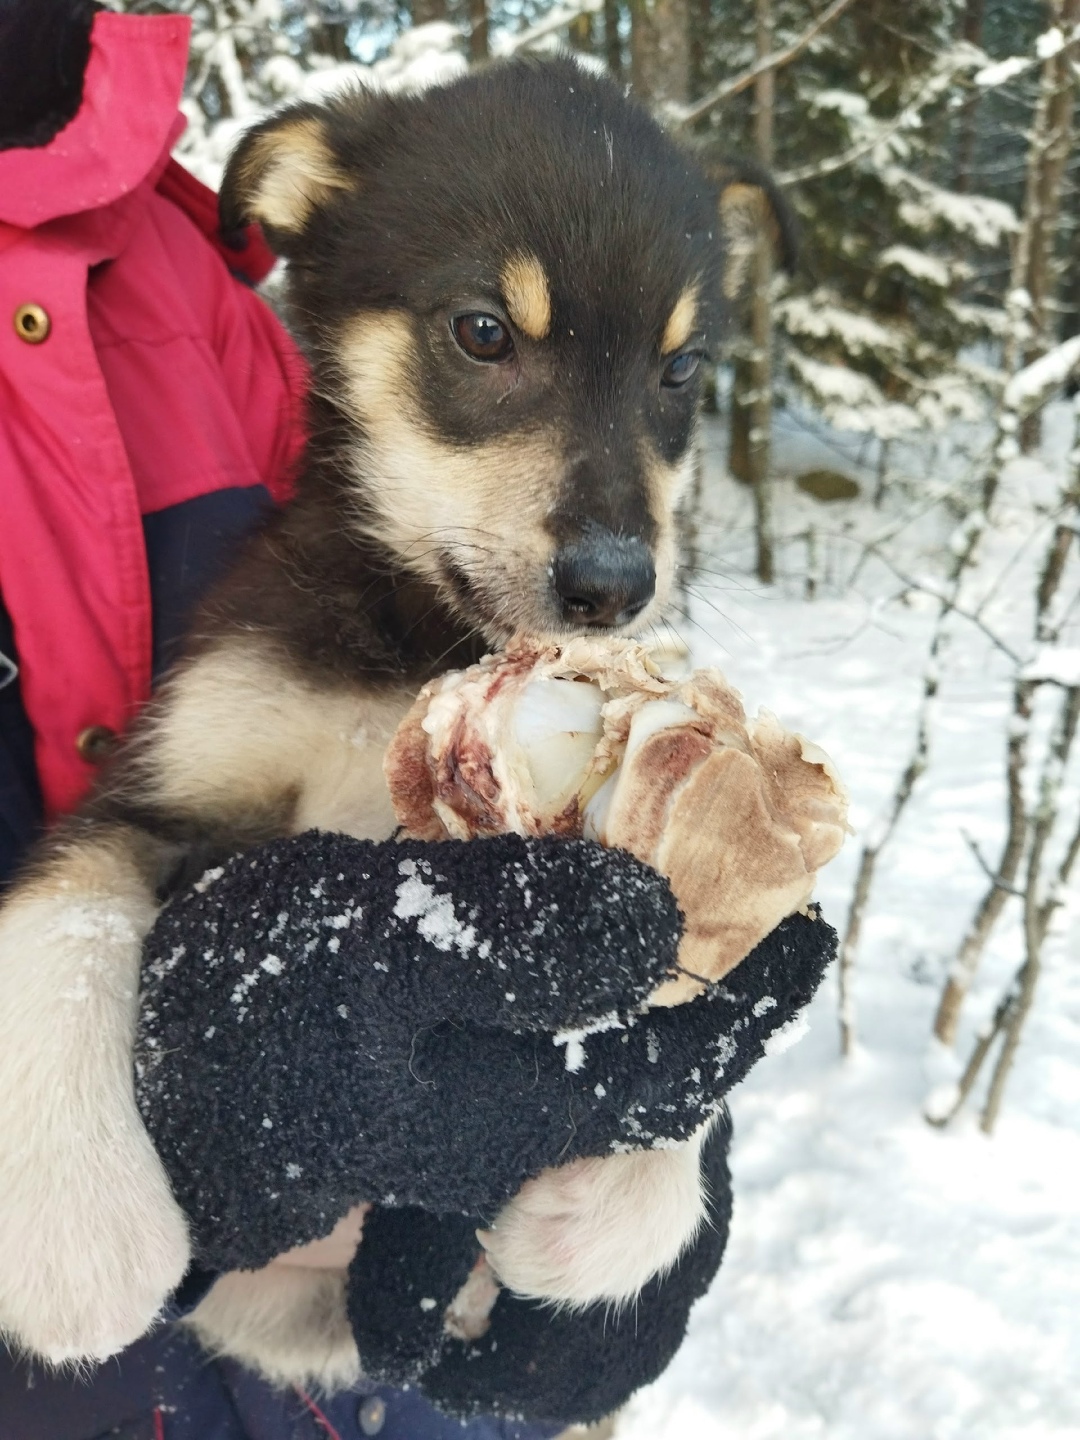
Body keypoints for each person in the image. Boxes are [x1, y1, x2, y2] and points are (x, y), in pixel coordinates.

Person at [0, 3, 568, 1435]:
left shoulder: (190, 280)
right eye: (488, 338)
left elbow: (426, 744)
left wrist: (628, 1081)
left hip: (381, 1367)